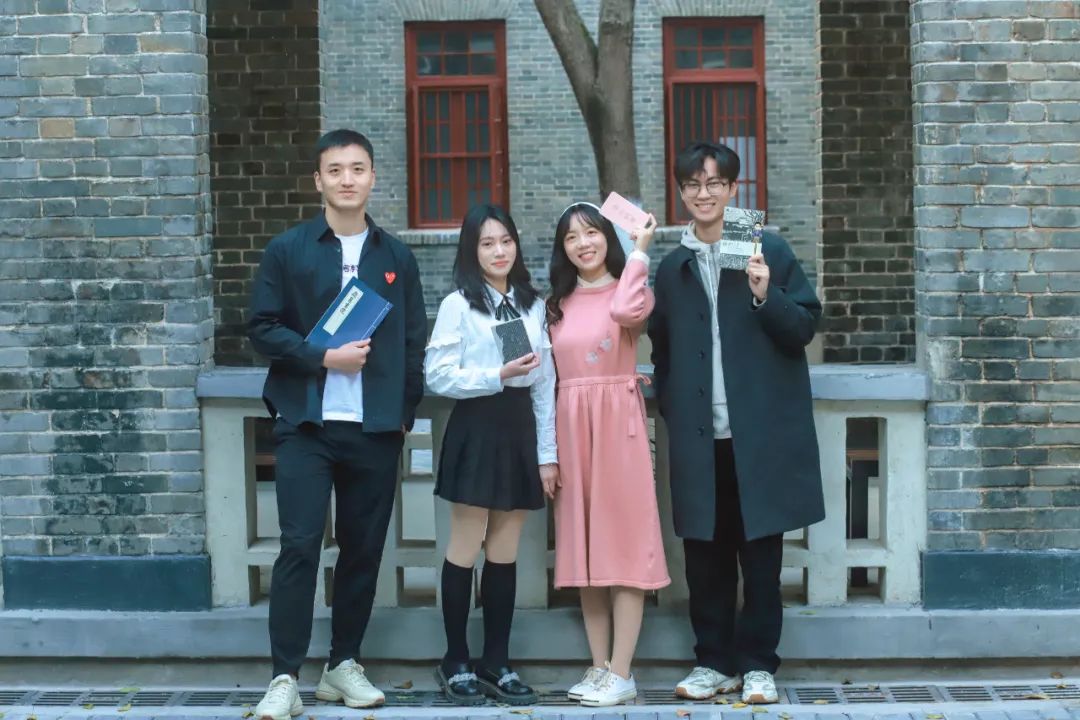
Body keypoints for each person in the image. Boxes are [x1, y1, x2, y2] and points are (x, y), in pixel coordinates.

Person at [247, 129, 427, 720]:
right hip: (306, 423)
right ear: (318, 181)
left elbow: (414, 342)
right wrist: (323, 357)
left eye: (357, 169)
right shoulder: (289, 249)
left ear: (373, 177)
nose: (347, 179)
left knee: (363, 551)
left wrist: (402, 414)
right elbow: (262, 327)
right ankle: (284, 677)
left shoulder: (396, 257)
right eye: (335, 170)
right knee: (298, 547)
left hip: (373, 429)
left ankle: (343, 663)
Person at [649, 141, 825, 705]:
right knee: (705, 556)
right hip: (700, 438)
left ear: (732, 189)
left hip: (759, 435)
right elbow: (663, 350)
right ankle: (713, 661)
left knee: (761, 557)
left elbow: (804, 329)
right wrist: (675, 408)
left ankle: (758, 666)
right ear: (682, 192)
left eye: (714, 183)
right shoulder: (672, 269)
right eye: (692, 184)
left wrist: (764, 294)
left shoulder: (765, 249)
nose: (703, 194)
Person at [425, 203, 558, 706]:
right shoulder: (459, 304)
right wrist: (494, 376)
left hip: (520, 427)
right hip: (477, 425)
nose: (499, 251)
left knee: (505, 549)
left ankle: (496, 662)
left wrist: (547, 454)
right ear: (471, 250)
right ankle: (455, 659)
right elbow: (437, 376)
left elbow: (544, 384)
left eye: (505, 240)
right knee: (465, 544)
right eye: (487, 243)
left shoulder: (533, 304)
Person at [545, 202, 670, 707]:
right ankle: (598, 668)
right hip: (570, 425)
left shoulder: (630, 289)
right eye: (572, 237)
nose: (583, 243)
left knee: (624, 544)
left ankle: (622, 671)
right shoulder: (555, 303)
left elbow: (625, 315)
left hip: (619, 425)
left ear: (608, 238)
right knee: (585, 547)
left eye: (592, 232)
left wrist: (640, 251)